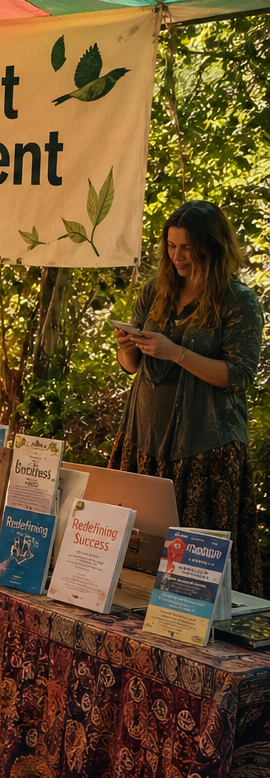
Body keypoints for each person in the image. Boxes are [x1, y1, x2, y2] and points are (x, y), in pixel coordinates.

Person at [112, 199, 265, 595]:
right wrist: (128, 344)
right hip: (143, 439)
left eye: (187, 248)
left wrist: (176, 352)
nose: (177, 257)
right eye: (171, 246)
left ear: (212, 246)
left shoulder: (239, 301)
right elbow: (130, 367)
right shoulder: (155, 290)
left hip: (205, 450)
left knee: (192, 580)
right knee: (136, 562)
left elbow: (239, 376)